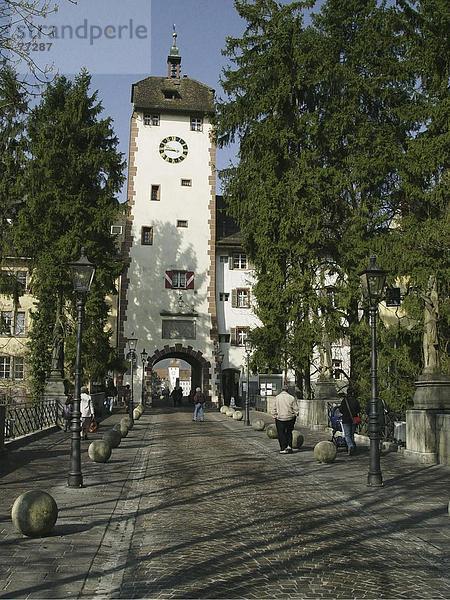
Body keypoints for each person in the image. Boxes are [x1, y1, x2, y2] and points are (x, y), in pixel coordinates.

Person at [271, 385, 299, 454]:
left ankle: (283, 448)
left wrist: (274, 415)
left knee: (281, 433)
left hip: (280, 418)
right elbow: (296, 409)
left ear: (281, 390)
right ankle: (289, 446)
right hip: (290, 418)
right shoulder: (291, 398)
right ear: (287, 390)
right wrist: (296, 414)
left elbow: (274, 408)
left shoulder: (277, 398)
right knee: (289, 432)